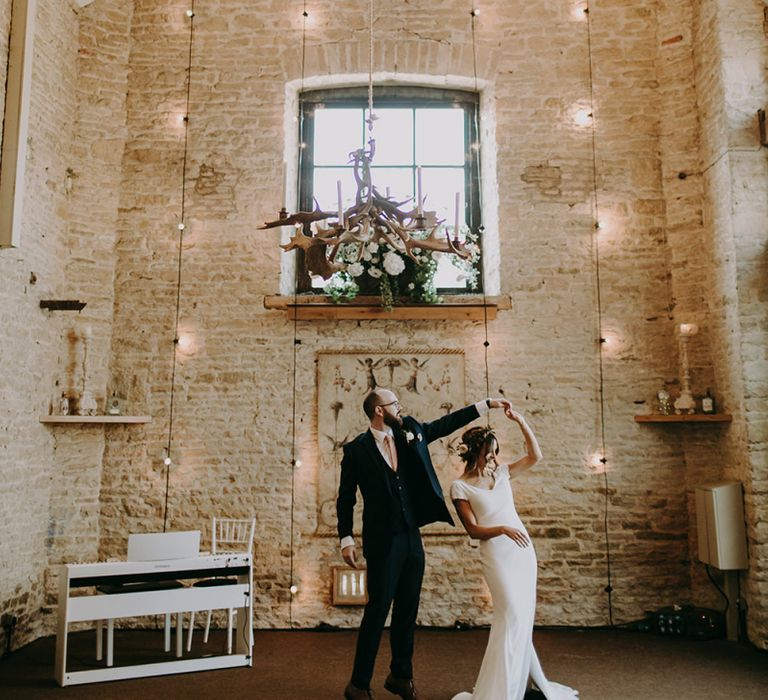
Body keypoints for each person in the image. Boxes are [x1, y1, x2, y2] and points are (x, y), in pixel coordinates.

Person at [337, 389, 512, 700]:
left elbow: (445, 424)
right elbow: (346, 499)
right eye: (394, 404)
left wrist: (486, 405)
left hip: (411, 537)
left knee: (408, 609)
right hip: (381, 541)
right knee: (377, 612)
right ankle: (358, 684)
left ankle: (400, 676)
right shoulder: (356, 451)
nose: (399, 408)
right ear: (379, 411)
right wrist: (346, 538)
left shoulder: (410, 431)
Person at [450, 410, 578, 700]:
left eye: (496, 453)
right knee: (508, 614)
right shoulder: (460, 486)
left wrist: (520, 421)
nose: (494, 458)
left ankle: (525, 685)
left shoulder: (504, 473)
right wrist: (503, 529)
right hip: (496, 553)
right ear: (474, 454)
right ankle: (503, 690)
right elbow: (472, 529)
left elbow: (536, 456)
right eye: (489, 453)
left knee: (521, 618)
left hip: (522, 551)